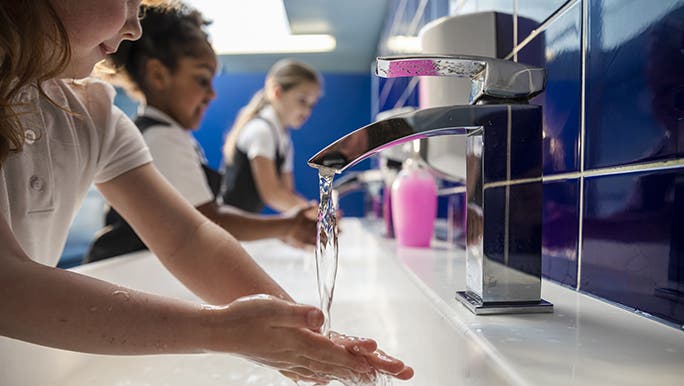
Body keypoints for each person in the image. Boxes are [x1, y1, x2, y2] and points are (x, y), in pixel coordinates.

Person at [0, 1, 413, 384]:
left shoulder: (94, 112)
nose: (133, 26)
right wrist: (220, 330)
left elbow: (189, 237)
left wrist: (298, 329)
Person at [84, 3, 317, 263]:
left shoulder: (169, 133)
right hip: (125, 269)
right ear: (158, 75)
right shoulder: (161, 138)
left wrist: (284, 228)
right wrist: (286, 226)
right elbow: (208, 221)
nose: (212, 94)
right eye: (202, 80)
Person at [220, 59, 320, 214]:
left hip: (245, 226)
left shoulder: (284, 139)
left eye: (312, 105)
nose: (307, 111)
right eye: (302, 100)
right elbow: (272, 194)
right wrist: (317, 213)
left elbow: (287, 194)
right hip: (227, 225)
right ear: (277, 92)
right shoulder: (261, 131)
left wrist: (309, 215)